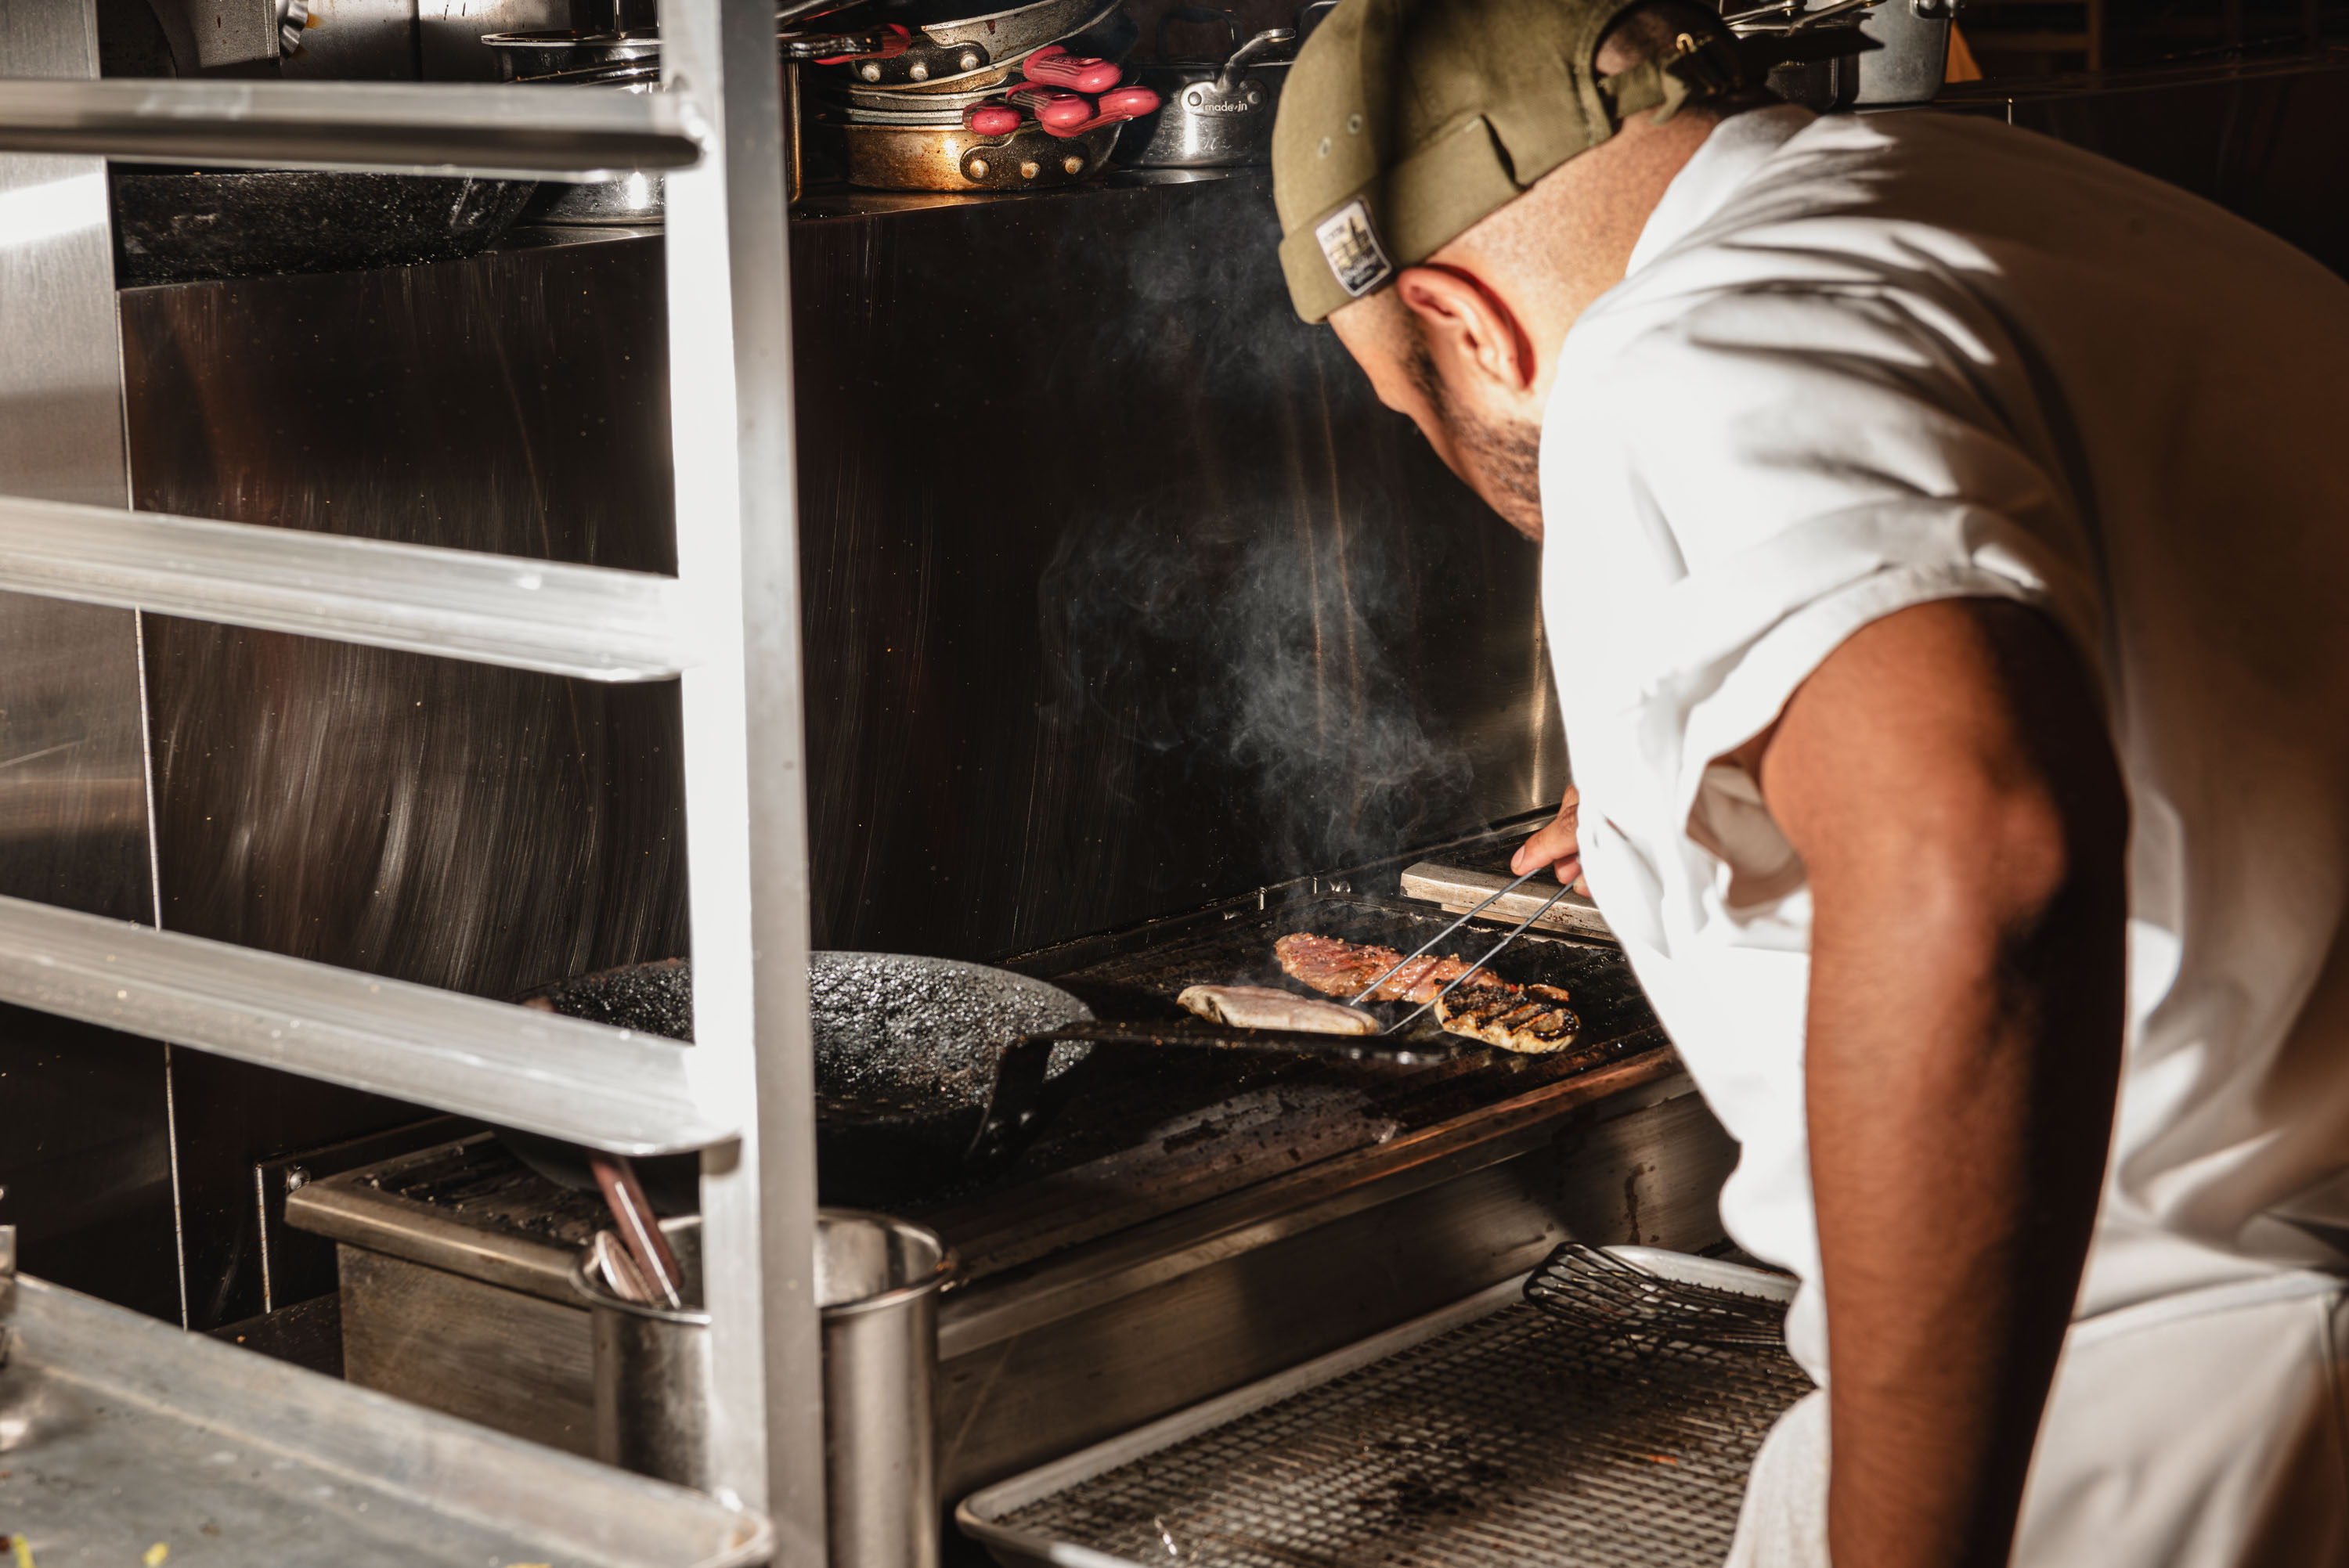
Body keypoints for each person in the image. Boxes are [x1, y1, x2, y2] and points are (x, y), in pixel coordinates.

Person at [1268, 2, 2349, 1564]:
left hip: (2172, 1434)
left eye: (1406, 406)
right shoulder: (2053, 220)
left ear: (1466, 324)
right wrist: (1759, 754)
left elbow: (1976, 849)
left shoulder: (1684, 339)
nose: (1436, 457)